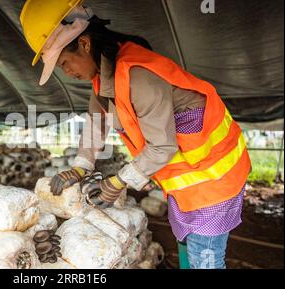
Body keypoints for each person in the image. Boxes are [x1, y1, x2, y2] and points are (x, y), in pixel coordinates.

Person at [20, 0, 251, 269]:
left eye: (64, 63)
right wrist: (80, 168)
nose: (67, 73)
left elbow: (162, 147)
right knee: (188, 245)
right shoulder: (105, 79)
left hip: (214, 183)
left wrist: (118, 182)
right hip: (188, 187)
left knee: (206, 259)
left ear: (84, 44)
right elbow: (96, 123)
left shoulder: (138, 76)